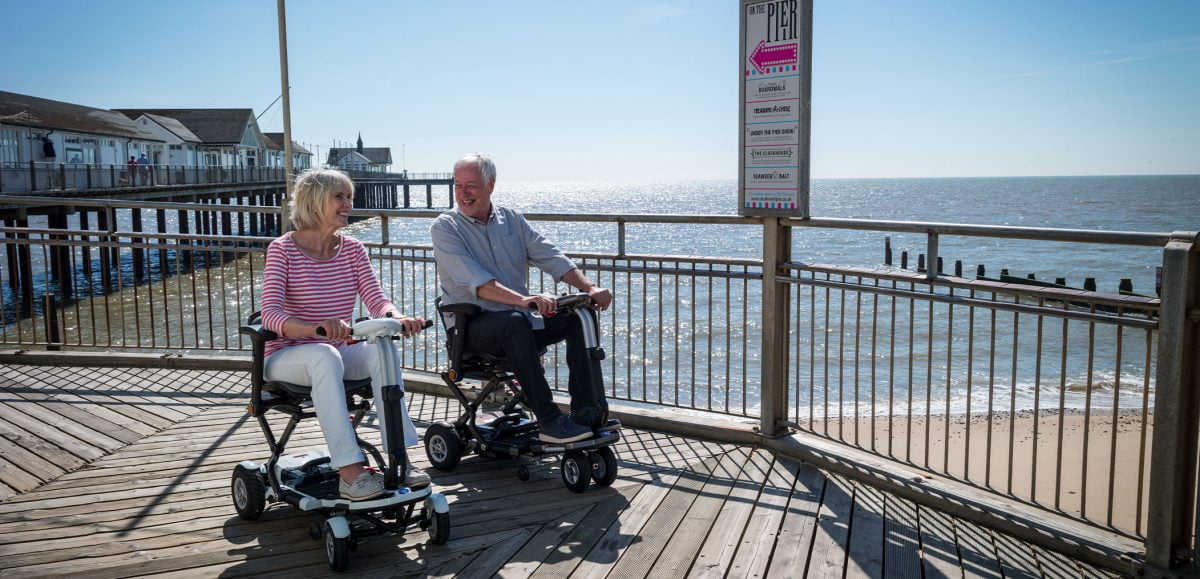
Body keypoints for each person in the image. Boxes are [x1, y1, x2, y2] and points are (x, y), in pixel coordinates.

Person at [260, 168, 430, 501]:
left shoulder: (353, 250)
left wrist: (398, 317)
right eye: (339, 196)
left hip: (334, 352)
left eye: (349, 196)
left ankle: (400, 457)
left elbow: (377, 299)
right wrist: (315, 328)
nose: (348, 203)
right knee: (325, 354)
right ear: (313, 201)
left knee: (380, 349)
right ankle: (350, 472)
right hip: (286, 355)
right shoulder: (283, 249)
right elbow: (270, 315)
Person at [430, 153, 614, 444]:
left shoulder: (512, 220)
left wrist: (590, 288)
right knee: (514, 322)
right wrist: (524, 301)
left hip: (518, 319)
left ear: (491, 184)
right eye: (457, 185)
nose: (463, 193)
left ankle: (586, 411)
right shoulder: (445, 227)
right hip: (471, 327)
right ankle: (549, 420)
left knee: (579, 316)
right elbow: (476, 281)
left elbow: (550, 255)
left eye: (471, 185)